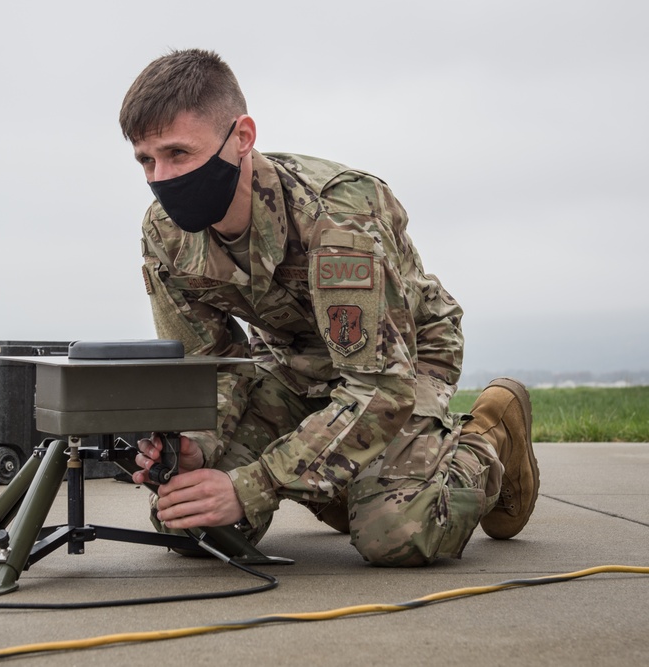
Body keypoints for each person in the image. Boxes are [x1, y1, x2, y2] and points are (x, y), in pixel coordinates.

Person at [120, 49, 539, 566]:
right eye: (145, 159)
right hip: (295, 362)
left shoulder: (337, 217)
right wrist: (199, 445)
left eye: (178, 153)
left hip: (402, 358)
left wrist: (256, 483)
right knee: (188, 525)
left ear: (242, 138)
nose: (160, 177)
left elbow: (380, 387)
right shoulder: (166, 234)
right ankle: (346, 482)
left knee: (394, 533)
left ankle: (488, 436)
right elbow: (213, 362)